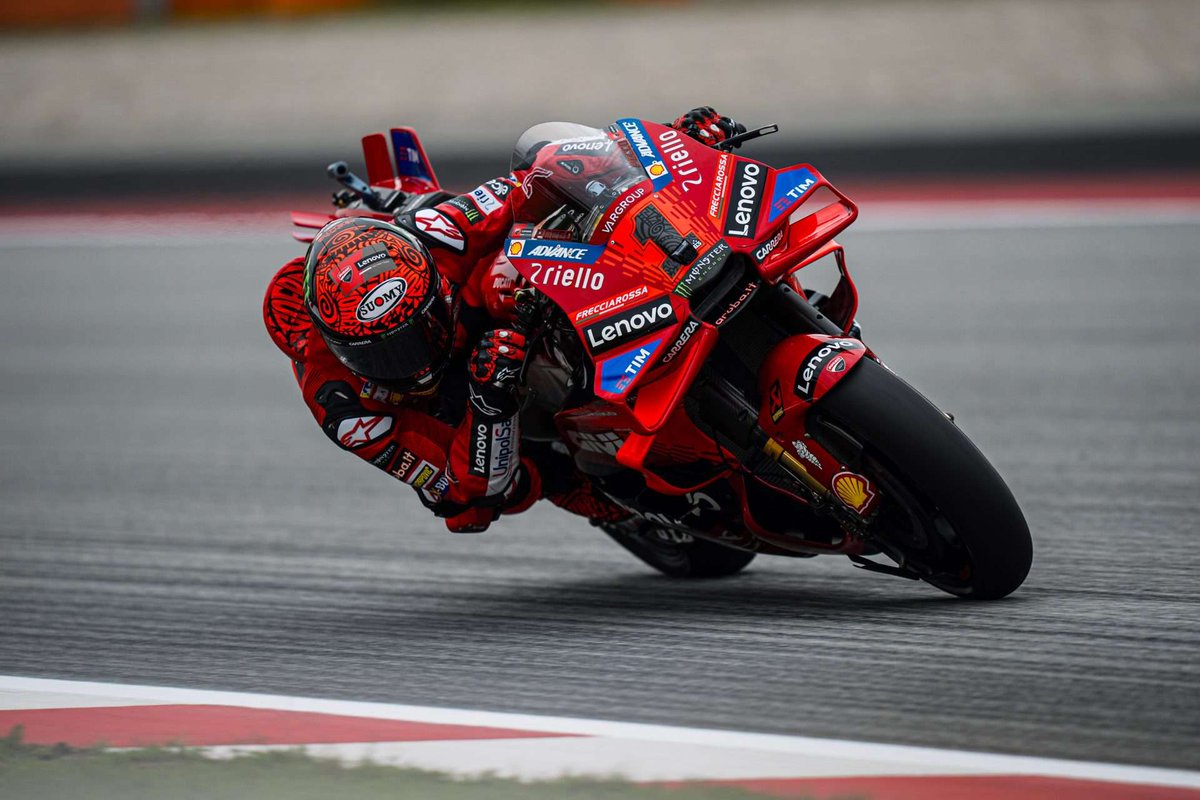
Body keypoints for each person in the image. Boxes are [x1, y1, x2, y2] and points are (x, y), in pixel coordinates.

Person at [262, 108, 745, 533]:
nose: (411, 359)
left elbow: (543, 174)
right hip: (455, 408)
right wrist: (488, 403)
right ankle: (602, 489)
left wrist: (672, 146)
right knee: (488, 500)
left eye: (416, 333)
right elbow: (459, 488)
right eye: (384, 353)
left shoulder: (439, 234)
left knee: (525, 259)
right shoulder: (345, 409)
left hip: (497, 309)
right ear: (340, 347)